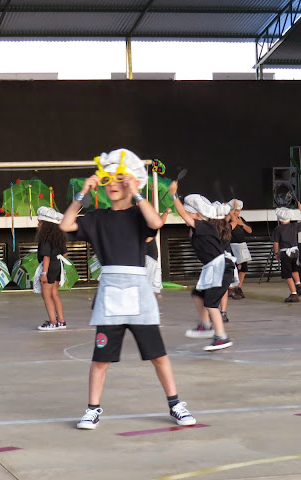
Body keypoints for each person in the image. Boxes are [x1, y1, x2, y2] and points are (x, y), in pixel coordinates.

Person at [60, 148, 195, 430]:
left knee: (158, 355)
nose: (112, 184)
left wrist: (137, 193)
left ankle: (175, 405)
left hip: (139, 291)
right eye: (107, 179)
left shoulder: (138, 214)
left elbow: (156, 222)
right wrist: (82, 194)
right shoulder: (97, 218)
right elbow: (66, 224)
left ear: (132, 181)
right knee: (101, 360)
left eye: (119, 178)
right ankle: (92, 409)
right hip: (110, 293)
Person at [174, 191, 234, 351]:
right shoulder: (197, 229)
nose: (185, 216)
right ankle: (205, 325)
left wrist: (174, 196)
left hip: (221, 268)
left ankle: (221, 337)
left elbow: (183, 214)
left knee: (211, 304)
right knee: (197, 294)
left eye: (188, 212)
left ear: (197, 215)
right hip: (212, 268)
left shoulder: (204, 226)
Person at [34, 206, 68, 330]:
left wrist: (44, 273)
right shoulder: (59, 237)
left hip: (49, 267)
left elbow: (46, 257)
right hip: (58, 265)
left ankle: (53, 322)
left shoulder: (45, 239)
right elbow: (65, 253)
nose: (38, 225)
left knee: (46, 295)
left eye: (39, 222)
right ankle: (61, 321)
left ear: (45, 224)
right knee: (55, 294)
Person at [271, 204, 301, 303]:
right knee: (294, 269)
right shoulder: (294, 226)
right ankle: (298, 283)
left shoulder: (278, 229)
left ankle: (293, 293)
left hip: (285, 253)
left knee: (287, 274)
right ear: (290, 217)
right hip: (295, 252)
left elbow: (276, 243)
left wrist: (276, 253)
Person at [227, 199, 252, 300]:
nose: (237, 213)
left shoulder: (241, 219)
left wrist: (242, 224)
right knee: (235, 268)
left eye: (238, 211)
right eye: (235, 210)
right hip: (232, 246)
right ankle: (231, 288)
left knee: (243, 268)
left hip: (242, 246)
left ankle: (239, 287)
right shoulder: (228, 220)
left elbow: (250, 230)